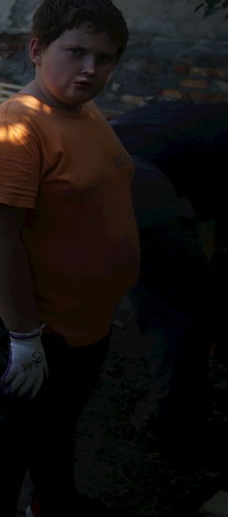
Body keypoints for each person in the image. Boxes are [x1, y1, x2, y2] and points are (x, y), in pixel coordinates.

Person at [0, 0, 137, 517]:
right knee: (6, 441)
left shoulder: (87, 115)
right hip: (36, 325)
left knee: (58, 425)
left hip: (84, 321)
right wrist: (22, 338)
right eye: (76, 52)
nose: (90, 70)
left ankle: (54, 504)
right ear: (37, 50)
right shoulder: (18, 129)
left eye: (104, 59)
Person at [109, 101, 228, 452]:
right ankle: (172, 421)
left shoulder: (192, 112)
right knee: (179, 308)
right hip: (137, 178)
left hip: (81, 159)